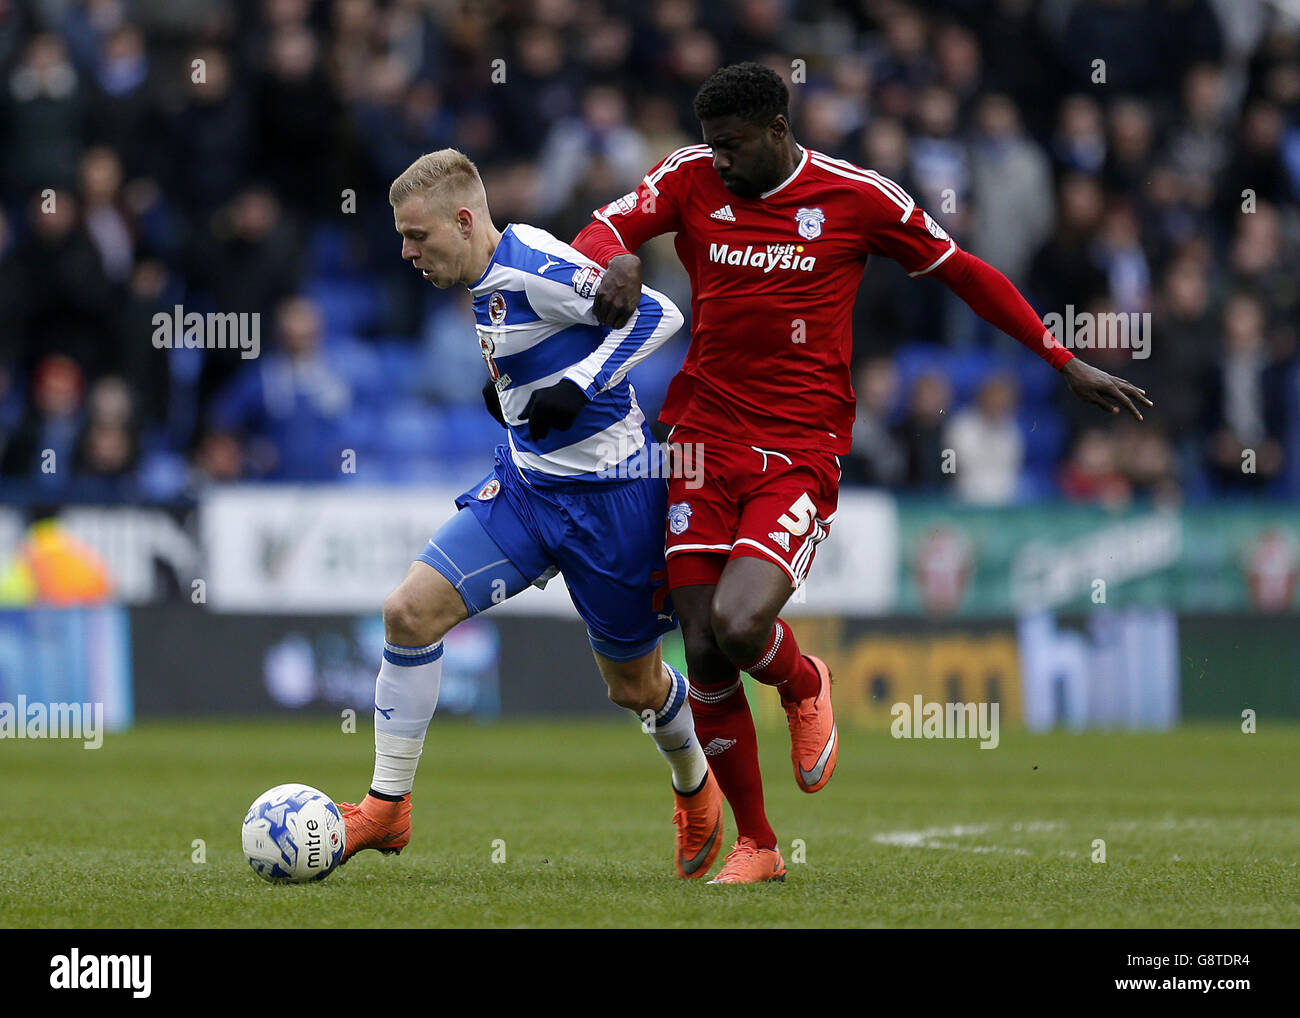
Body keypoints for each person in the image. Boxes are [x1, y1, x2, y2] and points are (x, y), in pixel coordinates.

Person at [572, 63, 1152, 884]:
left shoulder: (857, 196)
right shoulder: (691, 175)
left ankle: (804, 679)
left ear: (778, 130)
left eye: (734, 146)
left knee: (740, 628)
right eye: (712, 146)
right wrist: (614, 263)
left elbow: (963, 272)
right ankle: (760, 844)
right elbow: (603, 226)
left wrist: (1060, 358)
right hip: (699, 440)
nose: (721, 163)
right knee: (700, 645)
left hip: (798, 450)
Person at [340, 149, 725, 880]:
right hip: (526, 490)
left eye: (417, 236)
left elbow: (661, 313)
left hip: (612, 501)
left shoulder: (534, 265)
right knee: (407, 615)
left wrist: (580, 384)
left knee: (633, 688)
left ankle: (695, 786)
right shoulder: (480, 276)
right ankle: (386, 807)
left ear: (464, 220)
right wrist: (515, 397)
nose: (406, 251)